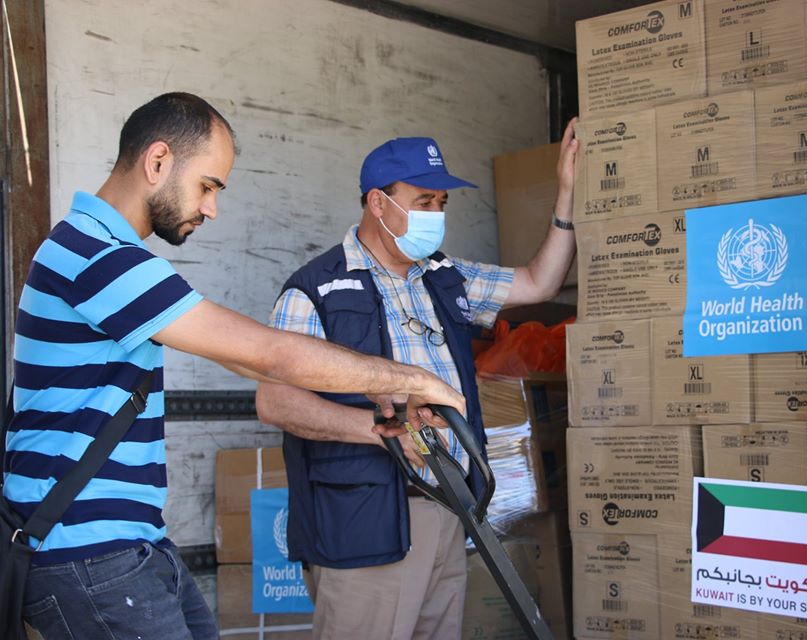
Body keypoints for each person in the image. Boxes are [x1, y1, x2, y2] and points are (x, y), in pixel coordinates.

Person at [2, 92, 463, 640]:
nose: (212, 208)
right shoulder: (97, 256)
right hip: (87, 552)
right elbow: (266, 352)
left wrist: (373, 400)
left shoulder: (106, 255)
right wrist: (413, 379)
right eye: (208, 186)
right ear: (157, 162)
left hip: (130, 545)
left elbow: (246, 360)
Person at [256, 121, 578, 639]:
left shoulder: (444, 276)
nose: (435, 215)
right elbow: (276, 403)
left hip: (448, 504)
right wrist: (380, 430)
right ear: (378, 203)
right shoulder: (314, 291)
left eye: (442, 204)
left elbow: (541, 281)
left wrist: (566, 194)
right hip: (365, 518)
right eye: (423, 201)